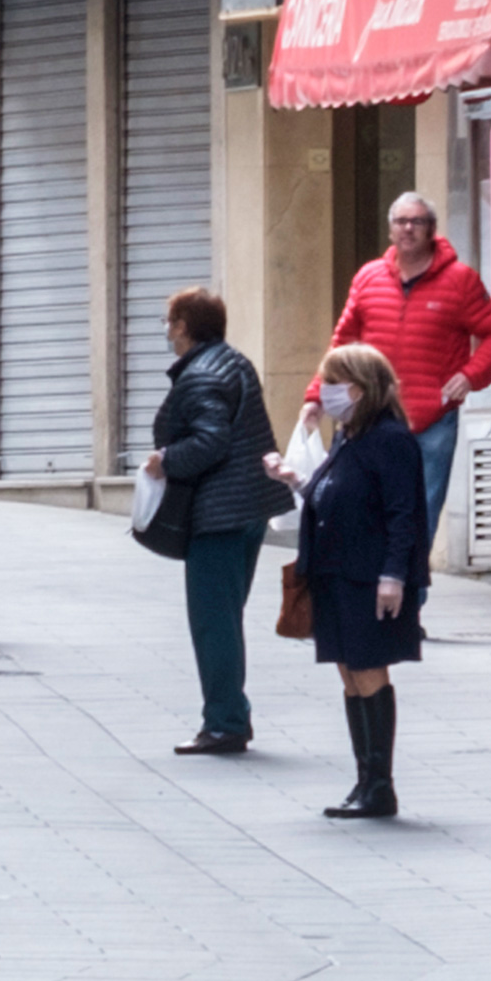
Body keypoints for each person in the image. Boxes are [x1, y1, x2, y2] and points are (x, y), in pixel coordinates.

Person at [300, 192, 491, 618]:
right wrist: (316, 395)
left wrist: (470, 377)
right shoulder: (368, 277)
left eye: (416, 221)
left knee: (419, 519)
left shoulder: (460, 281)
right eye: (400, 221)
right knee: (359, 509)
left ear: (431, 229)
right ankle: (366, 597)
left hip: (430, 422)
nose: (407, 229)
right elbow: (342, 343)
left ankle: (407, 610)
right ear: (390, 227)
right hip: (367, 419)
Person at [265, 344, 428, 819]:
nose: (326, 393)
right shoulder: (348, 436)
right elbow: (333, 492)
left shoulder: (390, 439)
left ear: (359, 388)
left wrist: (393, 575)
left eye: (333, 383)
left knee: (368, 668)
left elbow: (404, 515)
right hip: (335, 571)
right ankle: (365, 781)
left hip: (368, 574)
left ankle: (380, 785)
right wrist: (296, 480)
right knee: (348, 671)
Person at [146, 288, 294, 755]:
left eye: (170, 321)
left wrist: (166, 459)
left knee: (213, 622)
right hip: (247, 507)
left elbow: (210, 441)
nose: (167, 330)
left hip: (220, 513)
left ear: (185, 326)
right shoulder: (232, 361)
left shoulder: (201, 375)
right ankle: (230, 716)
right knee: (225, 618)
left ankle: (226, 721)